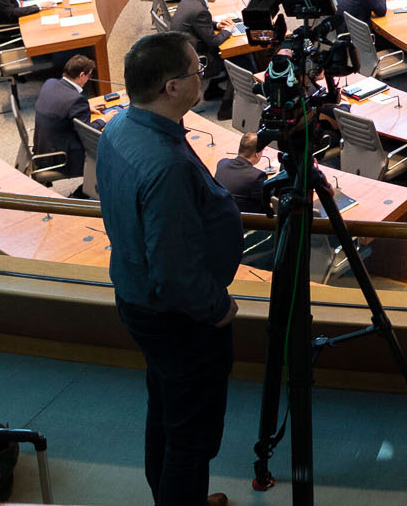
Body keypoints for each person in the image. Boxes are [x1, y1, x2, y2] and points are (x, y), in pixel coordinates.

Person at [96, 31, 244, 506]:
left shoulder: (120, 125)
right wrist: (218, 308)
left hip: (139, 302)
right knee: (190, 440)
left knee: (165, 409)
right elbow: (175, 271)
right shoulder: (166, 166)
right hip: (180, 319)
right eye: (195, 69)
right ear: (171, 88)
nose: (202, 74)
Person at [36, 54, 95, 190]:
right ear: (81, 75)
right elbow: (88, 133)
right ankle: (90, 192)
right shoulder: (76, 100)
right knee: (105, 151)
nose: (88, 79)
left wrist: (84, 109)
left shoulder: (49, 83)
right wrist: (104, 119)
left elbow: (59, 106)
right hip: (63, 159)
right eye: (89, 76)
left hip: (43, 148)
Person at [213, 132, 270, 215]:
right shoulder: (257, 176)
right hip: (244, 222)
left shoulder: (222, 163)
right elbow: (264, 204)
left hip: (219, 214)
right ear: (257, 154)